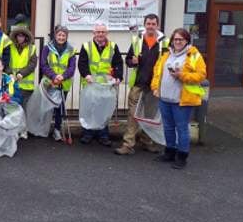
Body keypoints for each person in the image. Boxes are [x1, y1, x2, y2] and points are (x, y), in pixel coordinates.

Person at [151, 28, 206, 169]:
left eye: (181, 39)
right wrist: (155, 87)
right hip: (165, 98)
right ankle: (170, 152)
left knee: (182, 128)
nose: (178, 42)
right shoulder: (166, 55)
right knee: (168, 127)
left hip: (182, 100)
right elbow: (157, 72)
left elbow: (201, 75)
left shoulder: (194, 55)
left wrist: (182, 75)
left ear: (186, 40)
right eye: (175, 39)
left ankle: (182, 156)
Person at [115, 14, 168, 155]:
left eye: (153, 24)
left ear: (158, 25)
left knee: (149, 116)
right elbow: (128, 60)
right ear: (145, 25)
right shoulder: (137, 40)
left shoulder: (165, 42)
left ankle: (147, 141)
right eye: (148, 24)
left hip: (154, 86)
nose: (151, 26)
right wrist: (132, 62)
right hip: (138, 84)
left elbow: (167, 62)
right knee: (133, 116)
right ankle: (128, 144)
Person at [78, 22, 123, 146]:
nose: (100, 34)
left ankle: (103, 135)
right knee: (89, 109)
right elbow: (82, 63)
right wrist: (86, 74)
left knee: (103, 110)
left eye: (103, 32)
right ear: (94, 33)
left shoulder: (113, 46)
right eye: (98, 32)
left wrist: (118, 77)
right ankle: (87, 134)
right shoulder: (86, 46)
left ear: (106, 33)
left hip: (105, 85)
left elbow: (118, 63)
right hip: (90, 84)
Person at [40, 25, 76, 141]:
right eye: (59, 35)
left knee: (60, 108)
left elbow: (72, 68)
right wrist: (54, 76)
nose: (61, 37)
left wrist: (63, 77)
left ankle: (57, 130)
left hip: (63, 83)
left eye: (63, 35)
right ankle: (43, 129)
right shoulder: (47, 48)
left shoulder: (71, 50)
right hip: (50, 82)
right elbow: (43, 64)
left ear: (66, 36)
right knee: (46, 107)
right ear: (55, 35)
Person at [7, 26, 38, 109]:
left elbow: (32, 64)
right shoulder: (10, 47)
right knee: (13, 109)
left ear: (26, 37)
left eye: (22, 36)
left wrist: (22, 73)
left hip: (27, 87)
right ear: (15, 36)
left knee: (25, 109)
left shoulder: (31, 48)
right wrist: (9, 73)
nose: (20, 38)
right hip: (12, 83)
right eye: (18, 36)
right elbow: (6, 62)